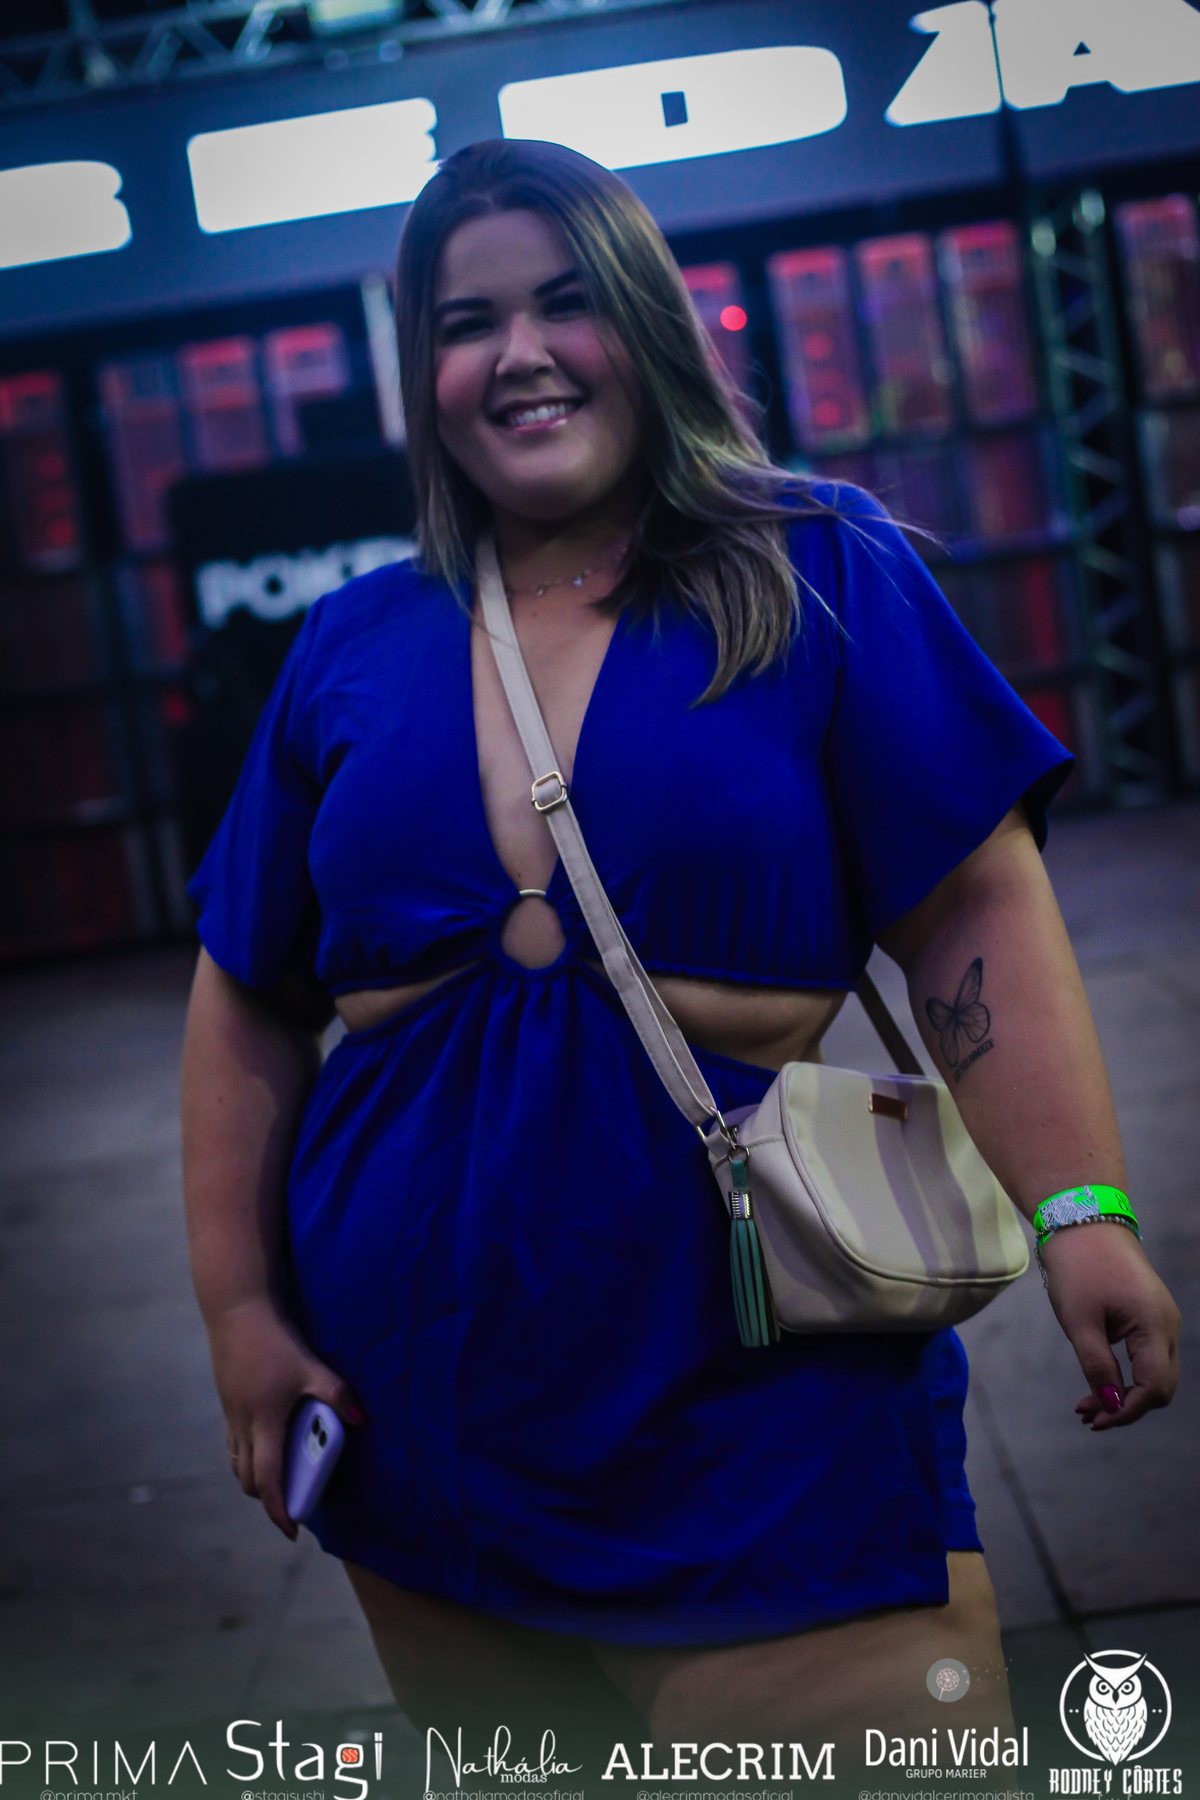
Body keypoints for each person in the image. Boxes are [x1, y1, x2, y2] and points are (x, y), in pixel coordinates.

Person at [181, 140, 1179, 1758]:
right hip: (422, 1419)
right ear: (422, 371)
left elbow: (976, 914)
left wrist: (1084, 1212)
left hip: (761, 1406)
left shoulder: (819, 564)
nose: (519, 352)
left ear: (645, 322)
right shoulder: (348, 644)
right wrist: (239, 1311)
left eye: (565, 302)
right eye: (466, 321)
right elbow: (245, 996)